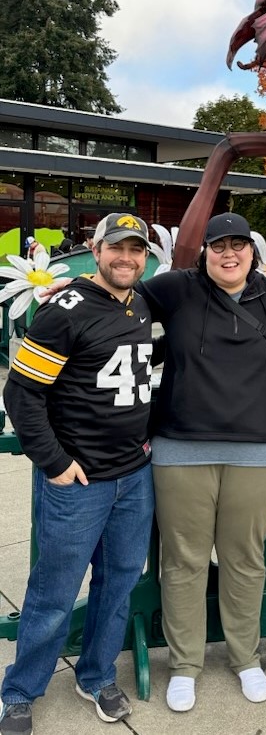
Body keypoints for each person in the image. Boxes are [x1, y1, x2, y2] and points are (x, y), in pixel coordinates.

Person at [0, 213, 156, 735]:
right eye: (116, 248)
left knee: (117, 586)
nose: (126, 258)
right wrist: (56, 462)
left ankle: (95, 675)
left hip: (134, 477)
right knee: (54, 591)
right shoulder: (64, 310)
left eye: (136, 249)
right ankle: (21, 690)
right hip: (79, 482)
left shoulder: (142, 302)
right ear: (94, 247)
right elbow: (22, 393)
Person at [136, 212, 266, 712]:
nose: (229, 254)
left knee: (245, 560)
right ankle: (184, 664)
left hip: (257, 448)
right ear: (204, 252)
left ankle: (245, 656)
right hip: (182, 448)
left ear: (252, 252)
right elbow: (119, 301)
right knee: (184, 561)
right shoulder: (177, 289)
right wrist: (70, 293)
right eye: (218, 245)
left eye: (238, 245)